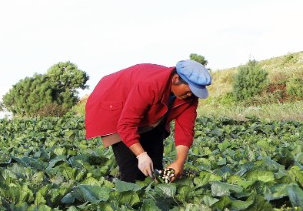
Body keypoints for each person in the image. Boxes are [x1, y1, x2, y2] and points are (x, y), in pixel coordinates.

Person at [84, 59, 212, 182]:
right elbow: (126, 125)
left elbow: (185, 130)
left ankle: (152, 196)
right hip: (114, 104)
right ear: (176, 79)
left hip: (151, 115)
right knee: (131, 170)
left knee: (155, 166)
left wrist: (179, 162)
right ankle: (129, 196)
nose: (192, 95)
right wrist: (141, 155)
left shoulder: (189, 97)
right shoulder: (150, 84)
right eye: (191, 90)